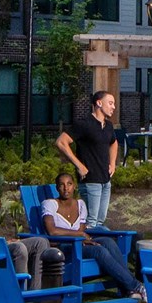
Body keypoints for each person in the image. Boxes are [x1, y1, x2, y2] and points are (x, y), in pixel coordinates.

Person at [41, 173, 146, 301]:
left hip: (79, 244)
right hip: (62, 248)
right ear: (57, 188)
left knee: (108, 242)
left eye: (69, 184)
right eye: (61, 185)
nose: (66, 188)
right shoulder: (50, 204)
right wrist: (79, 235)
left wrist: (82, 238)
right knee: (99, 250)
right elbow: (52, 231)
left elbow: (81, 229)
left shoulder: (80, 205)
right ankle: (136, 286)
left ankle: (128, 288)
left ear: (74, 186)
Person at [56, 90, 118, 228]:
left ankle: (98, 246)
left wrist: (112, 164)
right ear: (99, 103)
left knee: (100, 221)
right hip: (90, 181)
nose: (113, 107)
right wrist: (79, 165)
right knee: (91, 222)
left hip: (105, 181)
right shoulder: (84, 124)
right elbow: (61, 142)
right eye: (110, 103)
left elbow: (114, 143)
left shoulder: (108, 126)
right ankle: (87, 248)